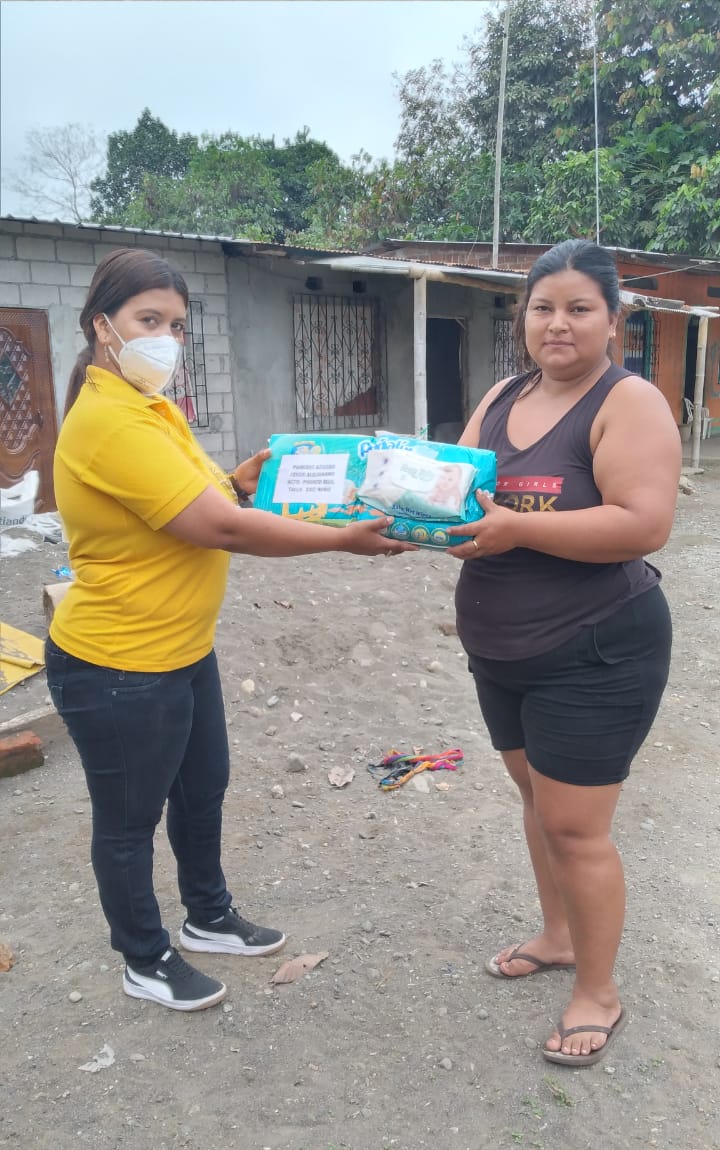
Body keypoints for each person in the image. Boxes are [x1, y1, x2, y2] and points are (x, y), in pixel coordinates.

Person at [46, 247, 409, 1014]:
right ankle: (144, 957)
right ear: (102, 326)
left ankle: (207, 916)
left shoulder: (152, 409)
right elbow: (220, 527)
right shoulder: (107, 420)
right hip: (118, 663)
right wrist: (342, 539)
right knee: (128, 823)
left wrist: (246, 477)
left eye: (177, 325)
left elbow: (210, 493)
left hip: (181, 649)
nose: (167, 339)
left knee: (202, 788)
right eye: (149, 320)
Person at [446, 239, 681, 1066]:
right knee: (537, 801)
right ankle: (557, 935)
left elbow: (643, 524)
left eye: (580, 308)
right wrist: (402, 518)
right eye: (543, 308)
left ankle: (599, 992)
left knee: (577, 829)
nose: (558, 323)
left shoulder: (629, 402)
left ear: (613, 320)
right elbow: (456, 496)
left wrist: (514, 528)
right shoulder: (502, 397)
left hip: (596, 649)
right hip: (500, 648)